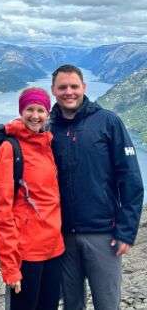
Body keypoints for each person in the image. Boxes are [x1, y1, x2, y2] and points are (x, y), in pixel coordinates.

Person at [49, 65, 143, 310]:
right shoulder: (48, 129)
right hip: (63, 237)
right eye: (62, 87)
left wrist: (126, 231)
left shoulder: (108, 122)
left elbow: (131, 179)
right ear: (53, 91)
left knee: (107, 303)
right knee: (72, 304)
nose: (69, 92)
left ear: (84, 88)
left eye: (74, 86)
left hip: (104, 235)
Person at [0, 87, 64, 310]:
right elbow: (1, 211)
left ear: (48, 113)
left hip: (54, 250)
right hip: (27, 254)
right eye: (29, 109)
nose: (35, 115)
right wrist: (10, 268)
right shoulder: (9, 148)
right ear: (21, 112)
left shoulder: (47, 144)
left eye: (41, 110)